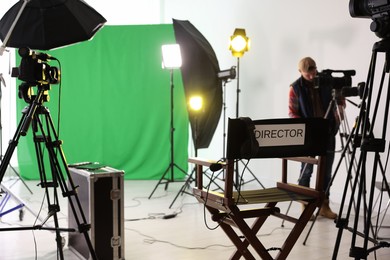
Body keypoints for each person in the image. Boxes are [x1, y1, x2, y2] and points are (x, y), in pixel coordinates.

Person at [288, 57, 343, 220]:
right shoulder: (295, 88)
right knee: (307, 171)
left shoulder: (326, 81)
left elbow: (339, 99)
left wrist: (339, 113)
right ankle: (305, 205)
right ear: (300, 72)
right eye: (308, 73)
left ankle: (324, 206)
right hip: (308, 134)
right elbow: (292, 113)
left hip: (328, 131)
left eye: (313, 71)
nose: (312, 76)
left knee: (327, 172)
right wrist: (305, 128)